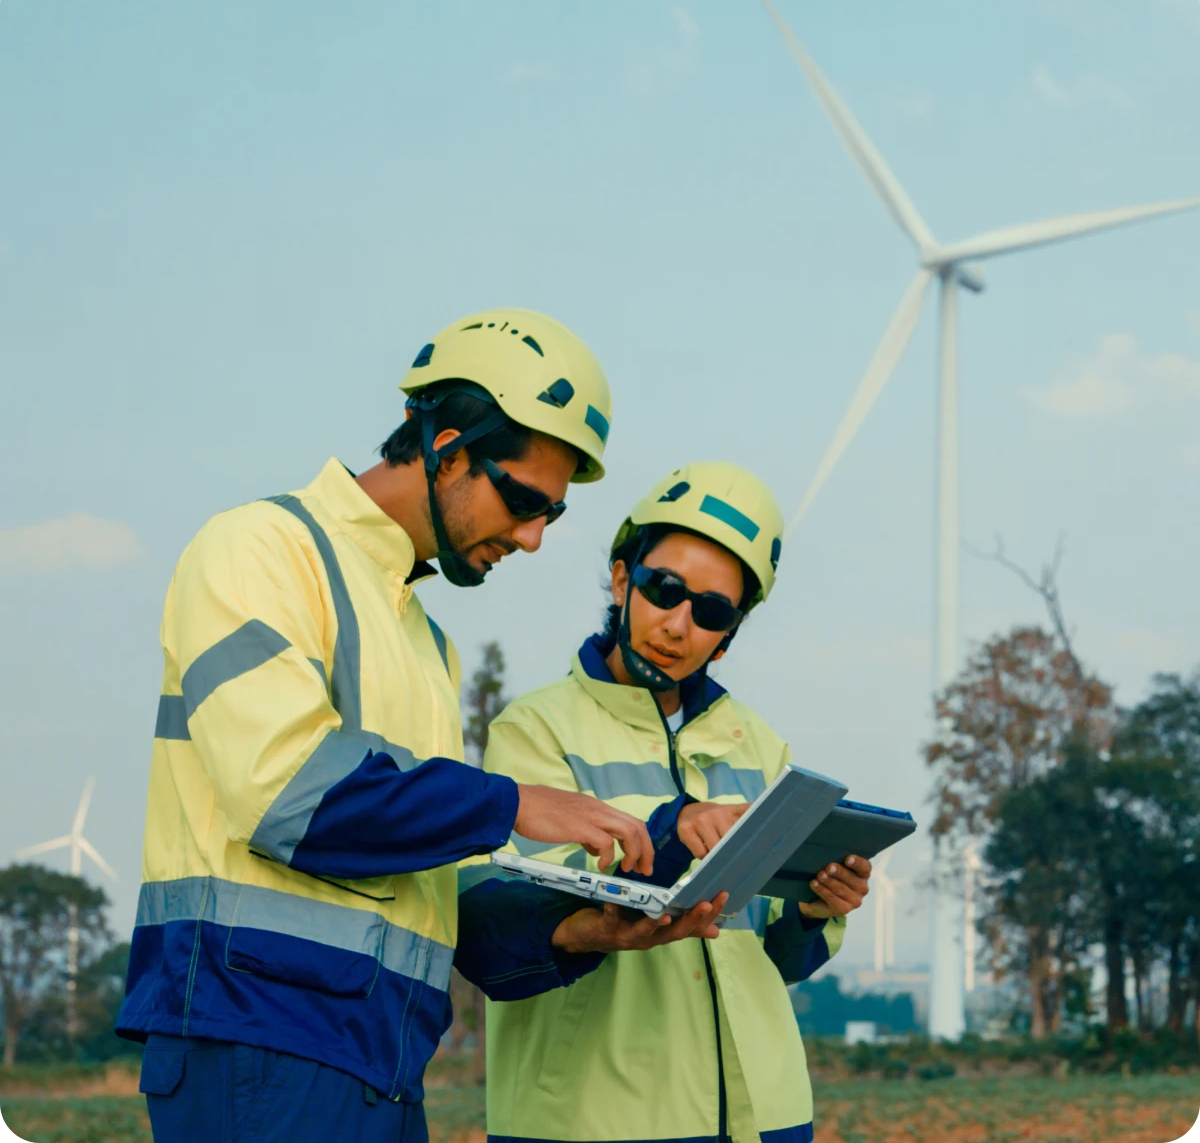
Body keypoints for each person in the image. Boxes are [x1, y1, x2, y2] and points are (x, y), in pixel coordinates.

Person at [116, 311, 726, 1143]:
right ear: (443, 446)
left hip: (384, 1065)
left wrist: (578, 929)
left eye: (551, 511)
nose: (535, 538)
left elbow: (429, 883)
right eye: (521, 501)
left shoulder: (424, 641)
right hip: (257, 1044)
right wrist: (513, 801)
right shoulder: (260, 549)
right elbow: (287, 796)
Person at [475, 462, 872, 1143]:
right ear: (623, 578)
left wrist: (815, 907)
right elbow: (515, 918)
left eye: (713, 611)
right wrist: (672, 832)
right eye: (665, 590)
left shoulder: (761, 746)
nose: (680, 624)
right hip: (596, 1121)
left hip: (767, 1120)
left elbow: (774, 959)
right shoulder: (534, 730)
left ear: (730, 632)